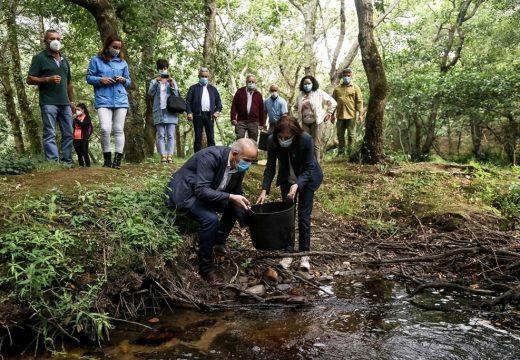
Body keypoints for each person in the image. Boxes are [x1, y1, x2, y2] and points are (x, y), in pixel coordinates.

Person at [164, 138, 258, 286]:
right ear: (234, 154)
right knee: (210, 219)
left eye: (252, 161)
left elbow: (236, 191)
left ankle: (218, 243)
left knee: (234, 205)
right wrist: (230, 196)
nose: (249, 164)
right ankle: (206, 270)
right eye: (247, 160)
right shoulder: (210, 157)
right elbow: (201, 190)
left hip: (208, 193)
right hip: (185, 194)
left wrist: (247, 224)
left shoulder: (239, 166)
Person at [257, 116, 323, 271]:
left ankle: (304, 254)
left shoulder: (305, 139)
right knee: (287, 216)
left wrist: (298, 185)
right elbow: (270, 167)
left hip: (307, 180)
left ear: (295, 134)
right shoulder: (272, 140)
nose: (283, 139)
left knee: (303, 216)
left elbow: (309, 167)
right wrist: (264, 189)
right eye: (281, 137)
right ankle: (288, 253)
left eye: (287, 137)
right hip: (287, 179)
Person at [27, 29, 75, 166]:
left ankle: (67, 162)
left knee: (68, 133)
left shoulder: (65, 60)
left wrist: (72, 101)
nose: (55, 41)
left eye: (58, 39)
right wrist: (47, 79)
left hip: (65, 103)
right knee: (50, 133)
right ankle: (53, 163)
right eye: (51, 38)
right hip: (48, 102)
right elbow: (29, 79)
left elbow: (69, 83)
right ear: (45, 41)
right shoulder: (39, 58)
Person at [86, 35, 131, 169]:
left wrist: (124, 80)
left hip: (120, 99)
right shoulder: (96, 60)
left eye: (119, 48)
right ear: (107, 46)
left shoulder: (122, 62)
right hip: (103, 99)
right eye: (114, 47)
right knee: (105, 128)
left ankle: (117, 161)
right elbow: (89, 78)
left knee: (118, 129)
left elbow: (129, 82)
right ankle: (107, 160)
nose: (117, 50)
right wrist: (101, 80)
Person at [294, 75, 337, 163]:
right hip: (304, 123)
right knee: (305, 143)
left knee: (316, 145)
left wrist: (329, 113)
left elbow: (333, 102)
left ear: (313, 84)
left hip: (317, 122)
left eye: (309, 83)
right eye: (305, 84)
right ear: (302, 85)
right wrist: (296, 117)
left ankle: (316, 166)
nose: (307, 85)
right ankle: (305, 164)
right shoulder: (300, 96)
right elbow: (295, 108)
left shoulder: (319, 93)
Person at [148, 59, 180, 163]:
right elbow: (150, 93)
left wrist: (171, 84)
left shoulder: (172, 81)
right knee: (161, 135)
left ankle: (170, 155)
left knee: (170, 135)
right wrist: (157, 82)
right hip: (158, 111)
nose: (163, 70)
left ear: (167, 69)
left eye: (165, 68)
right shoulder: (154, 81)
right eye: (161, 68)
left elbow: (176, 95)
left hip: (170, 111)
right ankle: (163, 156)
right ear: (158, 70)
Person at [185, 67, 222, 153]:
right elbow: (188, 102)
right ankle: (197, 158)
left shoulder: (213, 89)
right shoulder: (193, 88)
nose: (204, 78)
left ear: (208, 77)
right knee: (198, 138)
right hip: (198, 115)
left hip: (210, 116)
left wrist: (217, 111)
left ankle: (212, 157)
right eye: (202, 76)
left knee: (211, 138)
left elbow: (219, 102)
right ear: (199, 76)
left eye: (206, 76)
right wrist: (189, 112)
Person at [332, 68, 364, 157]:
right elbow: (333, 102)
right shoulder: (337, 88)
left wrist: (360, 115)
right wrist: (331, 115)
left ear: (351, 76)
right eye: (345, 75)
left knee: (351, 135)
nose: (346, 77)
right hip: (340, 115)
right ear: (342, 76)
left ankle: (351, 153)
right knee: (340, 135)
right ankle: (341, 152)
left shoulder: (355, 87)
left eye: (348, 75)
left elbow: (359, 101)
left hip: (351, 115)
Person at [231, 74, 264, 141]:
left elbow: (261, 110)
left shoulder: (258, 94)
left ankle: (253, 152)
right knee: (239, 140)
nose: (251, 83)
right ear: (246, 82)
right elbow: (234, 105)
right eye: (249, 82)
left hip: (254, 122)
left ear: (255, 83)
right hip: (241, 121)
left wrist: (261, 123)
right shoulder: (240, 92)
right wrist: (233, 118)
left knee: (253, 141)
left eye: (253, 82)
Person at [72, 103, 93, 167]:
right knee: (79, 154)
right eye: (76, 109)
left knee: (85, 153)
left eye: (79, 109)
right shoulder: (75, 118)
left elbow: (83, 124)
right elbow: (72, 126)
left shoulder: (87, 117)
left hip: (84, 138)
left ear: (83, 110)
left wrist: (75, 118)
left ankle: (88, 166)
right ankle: (81, 166)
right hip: (75, 138)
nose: (77, 111)